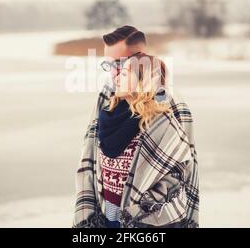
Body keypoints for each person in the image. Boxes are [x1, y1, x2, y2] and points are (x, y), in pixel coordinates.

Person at [73, 25, 199, 228]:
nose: (113, 74)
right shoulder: (108, 96)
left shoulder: (168, 102)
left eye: (119, 65)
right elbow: (89, 157)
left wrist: (140, 215)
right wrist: (87, 216)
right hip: (105, 218)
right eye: (108, 65)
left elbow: (184, 170)